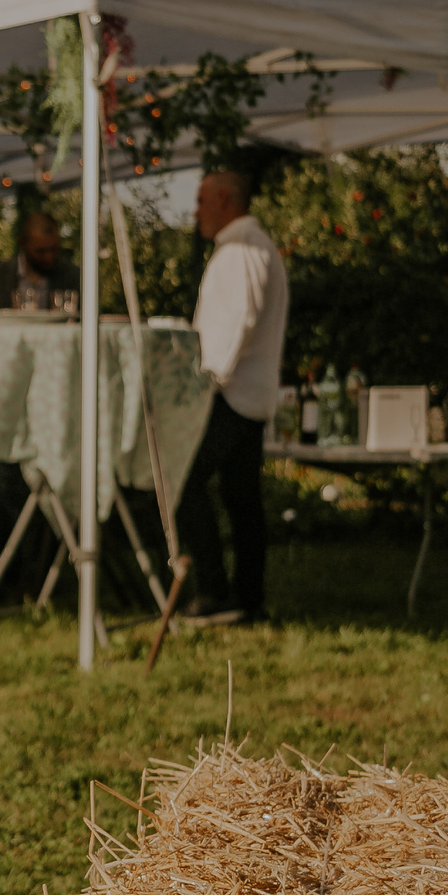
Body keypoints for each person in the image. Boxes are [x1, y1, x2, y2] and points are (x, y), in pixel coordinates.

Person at [177, 168, 289, 626]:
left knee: (185, 481)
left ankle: (214, 589)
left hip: (229, 391)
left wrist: (209, 378)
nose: (197, 210)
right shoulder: (256, 247)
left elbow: (238, 319)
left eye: (202, 200)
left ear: (226, 200)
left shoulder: (240, 250)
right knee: (241, 496)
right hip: (250, 392)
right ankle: (248, 597)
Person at [0, 210, 83, 310]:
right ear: (22, 243)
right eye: (40, 251)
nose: (48, 257)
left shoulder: (73, 276)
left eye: (53, 250)